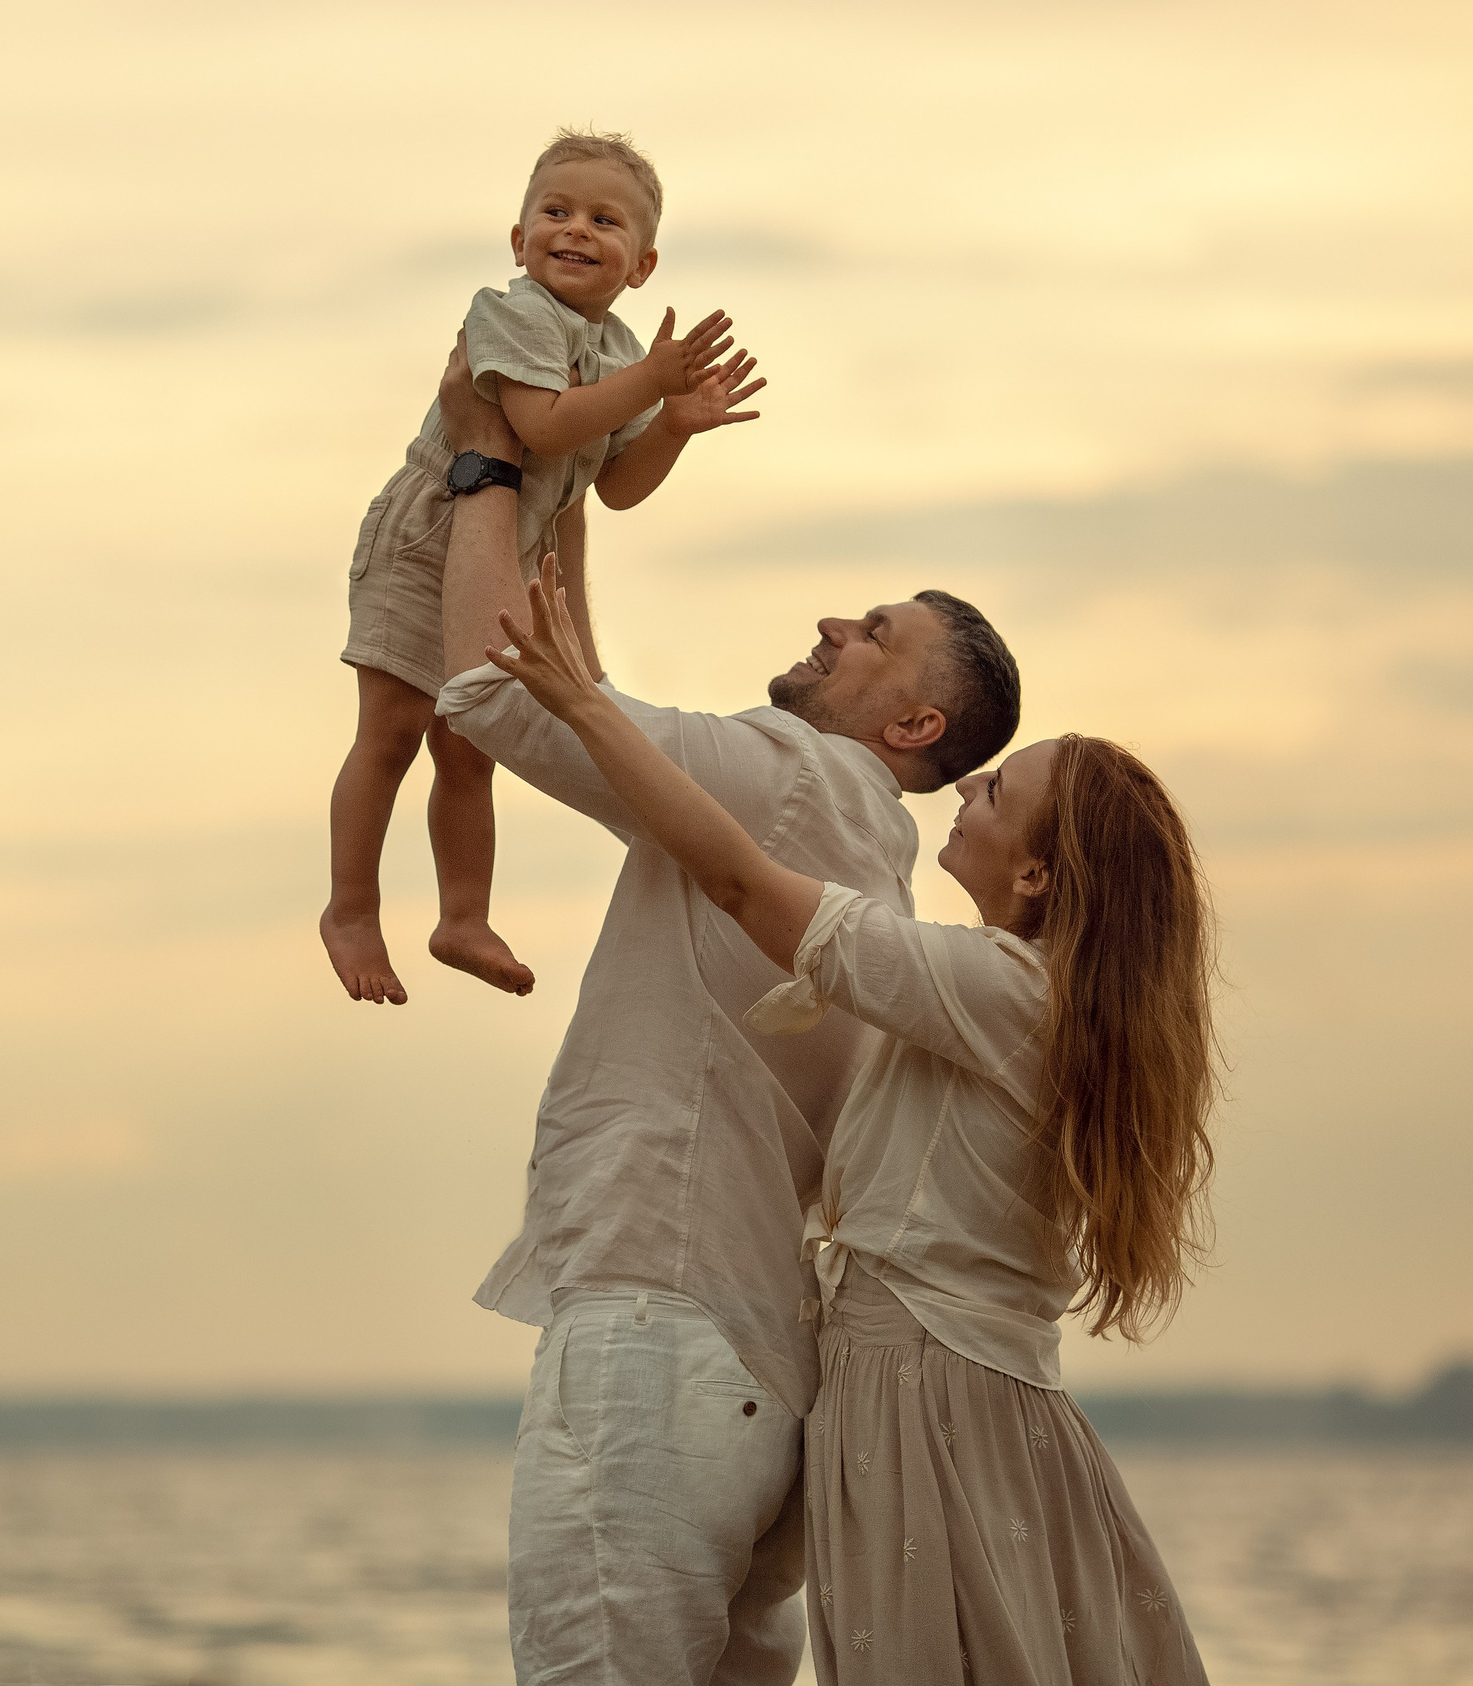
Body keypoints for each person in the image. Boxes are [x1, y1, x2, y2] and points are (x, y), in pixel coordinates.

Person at [482, 558, 1219, 1685]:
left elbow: (737, 880)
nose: (958, 800)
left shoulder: (995, 989)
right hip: (882, 1378)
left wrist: (584, 704)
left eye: (991, 794)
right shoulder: (994, 995)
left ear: (1031, 874)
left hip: (920, 1391)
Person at [433, 347, 1022, 1683]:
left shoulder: (792, 779)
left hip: (658, 1341)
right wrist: (567, 467)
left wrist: (483, 459)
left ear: (916, 719)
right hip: (752, 1371)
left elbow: (490, 685)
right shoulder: (860, 849)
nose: (835, 624)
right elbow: (574, 670)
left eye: (876, 632)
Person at [322, 127, 764, 1005]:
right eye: (555, 212)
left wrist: (674, 420)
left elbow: (617, 488)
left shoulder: (626, 352)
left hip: (508, 547)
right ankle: (351, 908)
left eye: (606, 220)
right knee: (395, 727)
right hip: (429, 532)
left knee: (471, 739)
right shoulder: (510, 311)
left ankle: (462, 915)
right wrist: (650, 387)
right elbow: (541, 426)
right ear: (520, 240)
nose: (576, 230)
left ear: (641, 265)